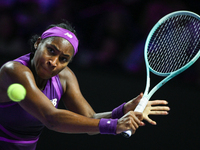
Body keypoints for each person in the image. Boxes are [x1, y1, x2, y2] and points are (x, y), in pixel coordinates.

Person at [0, 21, 169, 150]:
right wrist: (114, 126)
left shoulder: (65, 77)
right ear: (38, 43)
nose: (54, 62)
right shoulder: (14, 71)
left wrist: (123, 111)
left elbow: (91, 121)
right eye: (51, 50)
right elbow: (51, 118)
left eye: (63, 59)